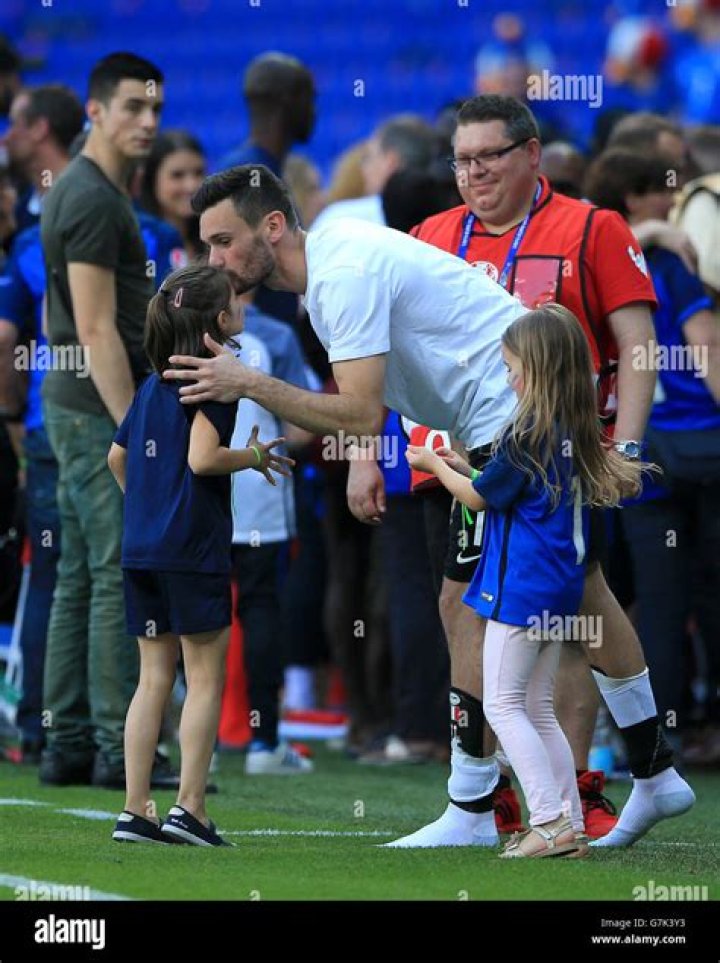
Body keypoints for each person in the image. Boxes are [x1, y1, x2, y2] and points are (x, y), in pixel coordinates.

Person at [164, 163, 695, 849]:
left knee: (497, 601)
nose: (215, 259)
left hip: (511, 425)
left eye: (222, 240)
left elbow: (359, 410)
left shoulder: (339, 273)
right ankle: (641, 773)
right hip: (506, 422)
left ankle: (484, 802)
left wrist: (248, 381)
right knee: (575, 593)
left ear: (271, 227)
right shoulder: (337, 261)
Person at [375, 93, 663, 844]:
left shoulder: (592, 227)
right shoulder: (432, 235)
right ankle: (494, 795)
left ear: (531, 153)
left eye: (488, 157)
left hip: (556, 463)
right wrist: (373, 453)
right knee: (465, 607)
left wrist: (626, 448)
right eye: (461, 160)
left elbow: (637, 343)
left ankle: (570, 791)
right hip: (463, 453)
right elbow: (393, 352)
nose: (473, 173)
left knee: (569, 614)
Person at [407, 304, 645, 857]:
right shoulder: (568, 430)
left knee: (502, 706)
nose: (507, 377)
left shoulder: (525, 431)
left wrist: (437, 468)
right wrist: (463, 465)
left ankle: (548, 822)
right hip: (557, 589)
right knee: (537, 709)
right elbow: (502, 485)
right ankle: (571, 824)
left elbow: (480, 497)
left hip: (522, 590)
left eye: (511, 367)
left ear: (535, 370)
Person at [109, 264, 293, 846]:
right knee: (205, 678)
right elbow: (203, 459)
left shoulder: (149, 384)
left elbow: (117, 461)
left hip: (142, 550)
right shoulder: (216, 382)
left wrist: (147, 509)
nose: (243, 304)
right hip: (193, 548)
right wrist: (255, 458)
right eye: (236, 299)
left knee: (152, 677)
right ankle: (191, 809)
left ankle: (136, 809)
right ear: (221, 319)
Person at [39, 52, 172, 789]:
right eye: (132, 107)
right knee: (116, 570)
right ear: (95, 111)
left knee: (79, 577)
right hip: (95, 408)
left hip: (73, 402)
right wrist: (135, 434)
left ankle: (69, 743)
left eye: (155, 107)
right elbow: (95, 330)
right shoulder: (93, 199)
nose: (148, 121)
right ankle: (118, 746)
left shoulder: (89, 190)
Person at [584, 147, 720, 748]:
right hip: (701, 443)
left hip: (638, 446)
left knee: (658, 599)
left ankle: (661, 733)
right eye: (663, 189)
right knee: (712, 589)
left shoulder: (593, 262)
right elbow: (707, 344)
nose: (674, 198)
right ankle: (707, 720)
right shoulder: (665, 261)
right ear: (635, 198)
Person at [218, 52, 316, 324]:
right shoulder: (246, 174)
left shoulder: (265, 170)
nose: (314, 110)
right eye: (310, 98)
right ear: (288, 102)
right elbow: (233, 271)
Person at [311, 115, 438, 231]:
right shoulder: (444, 219)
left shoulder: (342, 219)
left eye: (369, 157)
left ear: (390, 162)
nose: (363, 168)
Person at [139, 130, 206, 258]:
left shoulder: (214, 240)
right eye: (177, 175)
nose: (191, 186)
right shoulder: (137, 241)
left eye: (198, 173)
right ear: (152, 180)